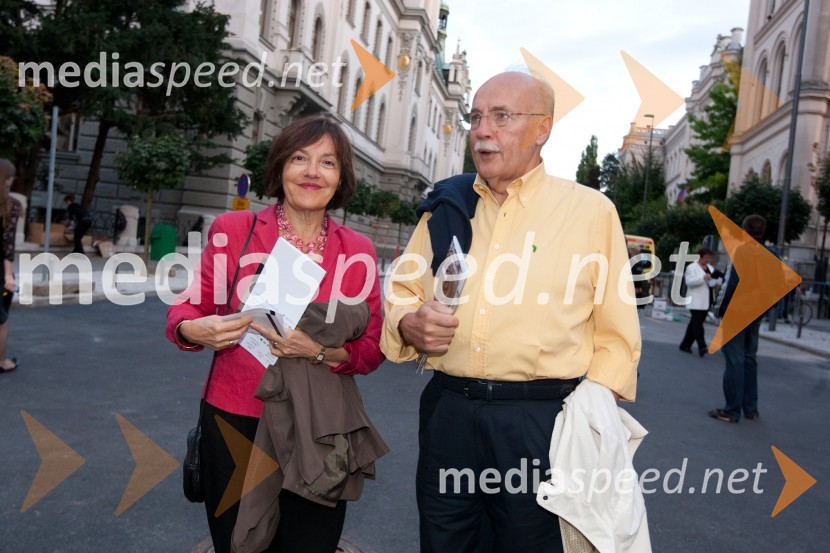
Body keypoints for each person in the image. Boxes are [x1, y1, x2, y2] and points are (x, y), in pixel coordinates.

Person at [381, 72, 641, 552]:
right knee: (445, 543)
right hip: (450, 414)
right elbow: (402, 289)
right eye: (476, 117)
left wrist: (587, 425)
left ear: (542, 128)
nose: (483, 130)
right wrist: (408, 322)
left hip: (541, 424)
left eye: (501, 117)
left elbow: (618, 335)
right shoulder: (446, 207)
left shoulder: (591, 212)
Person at [166, 116, 386, 553]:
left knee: (311, 544)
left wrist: (321, 352)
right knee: (237, 543)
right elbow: (185, 311)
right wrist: (196, 328)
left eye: (327, 162)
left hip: (319, 426)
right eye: (300, 158)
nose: (311, 172)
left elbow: (372, 347)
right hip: (236, 419)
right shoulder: (235, 231)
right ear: (280, 166)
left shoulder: (356, 249)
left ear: (340, 177)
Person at [709, 215, 769, 423]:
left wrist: (719, 310)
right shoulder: (771, 254)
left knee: (734, 360)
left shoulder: (740, 252)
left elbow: (729, 285)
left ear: (744, 231)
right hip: (757, 313)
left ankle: (731, 409)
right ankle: (750, 408)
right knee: (749, 359)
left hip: (736, 312)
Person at [679, 247, 722, 356]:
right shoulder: (691, 268)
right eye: (706, 257)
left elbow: (715, 280)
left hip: (707, 300)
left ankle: (685, 345)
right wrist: (703, 278)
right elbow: (689, 282)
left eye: (709, 257)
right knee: (697, 323)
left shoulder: (711, 268)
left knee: (694, 323)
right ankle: (702, 345)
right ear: (701, 256)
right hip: (695, 300)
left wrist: (716, 283)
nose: (708, 260)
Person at [0, 159, 21, 373]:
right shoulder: (11, 206)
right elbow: (8, 244)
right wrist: (9, 276)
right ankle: (1, 362)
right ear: (6, 180)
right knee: (1, 319)